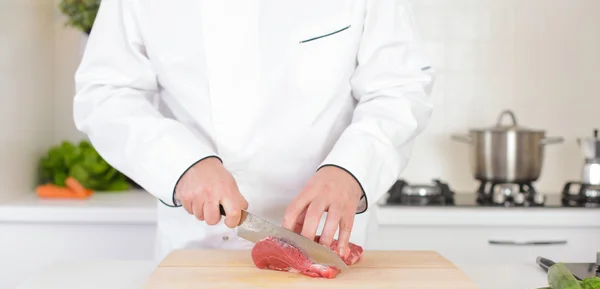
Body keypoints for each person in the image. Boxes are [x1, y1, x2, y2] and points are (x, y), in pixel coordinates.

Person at [73, 0, 434, 261]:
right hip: (198, 249)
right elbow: (105, 93)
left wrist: (352, 169)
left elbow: (399, 87)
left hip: (330, 243)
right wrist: (180, 163)